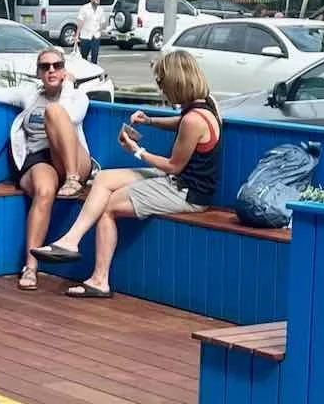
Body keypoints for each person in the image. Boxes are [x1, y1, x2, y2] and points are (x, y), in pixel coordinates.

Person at [32, 51, 224, 299]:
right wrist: (149, 120)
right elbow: (181, 121)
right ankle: (70, 241)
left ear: (176, 81)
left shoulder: (194, 121)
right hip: (180, 182)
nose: (162, 89)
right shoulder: (206, 104)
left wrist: (137, 151)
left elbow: (173, 166)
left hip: (188, 192)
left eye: (162, 82)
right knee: (103, 179)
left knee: (108, 206)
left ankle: (99, 280)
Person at [0, 47, 93, 291]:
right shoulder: (30, 95)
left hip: (73, 159)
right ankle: (31, 266)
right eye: (45, 67)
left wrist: (67, 87)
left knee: (55, 111)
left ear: (64, 70)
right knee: (44, 190)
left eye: (57, 66)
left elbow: (69, 118)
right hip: (39, 158)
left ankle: (73, 179)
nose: (51, 70)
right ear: (38, 73)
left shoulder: (77, 97)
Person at [74, 0, 107, 67]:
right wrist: (77, 35)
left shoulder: (100, 9)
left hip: (96, 36)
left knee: (94, 57)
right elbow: (80, 22)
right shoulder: (84, 8)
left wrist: (99, 30)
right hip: (85, 36)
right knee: (84, 57)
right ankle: (84, 70)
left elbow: (102, 22)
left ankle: (94, 70)